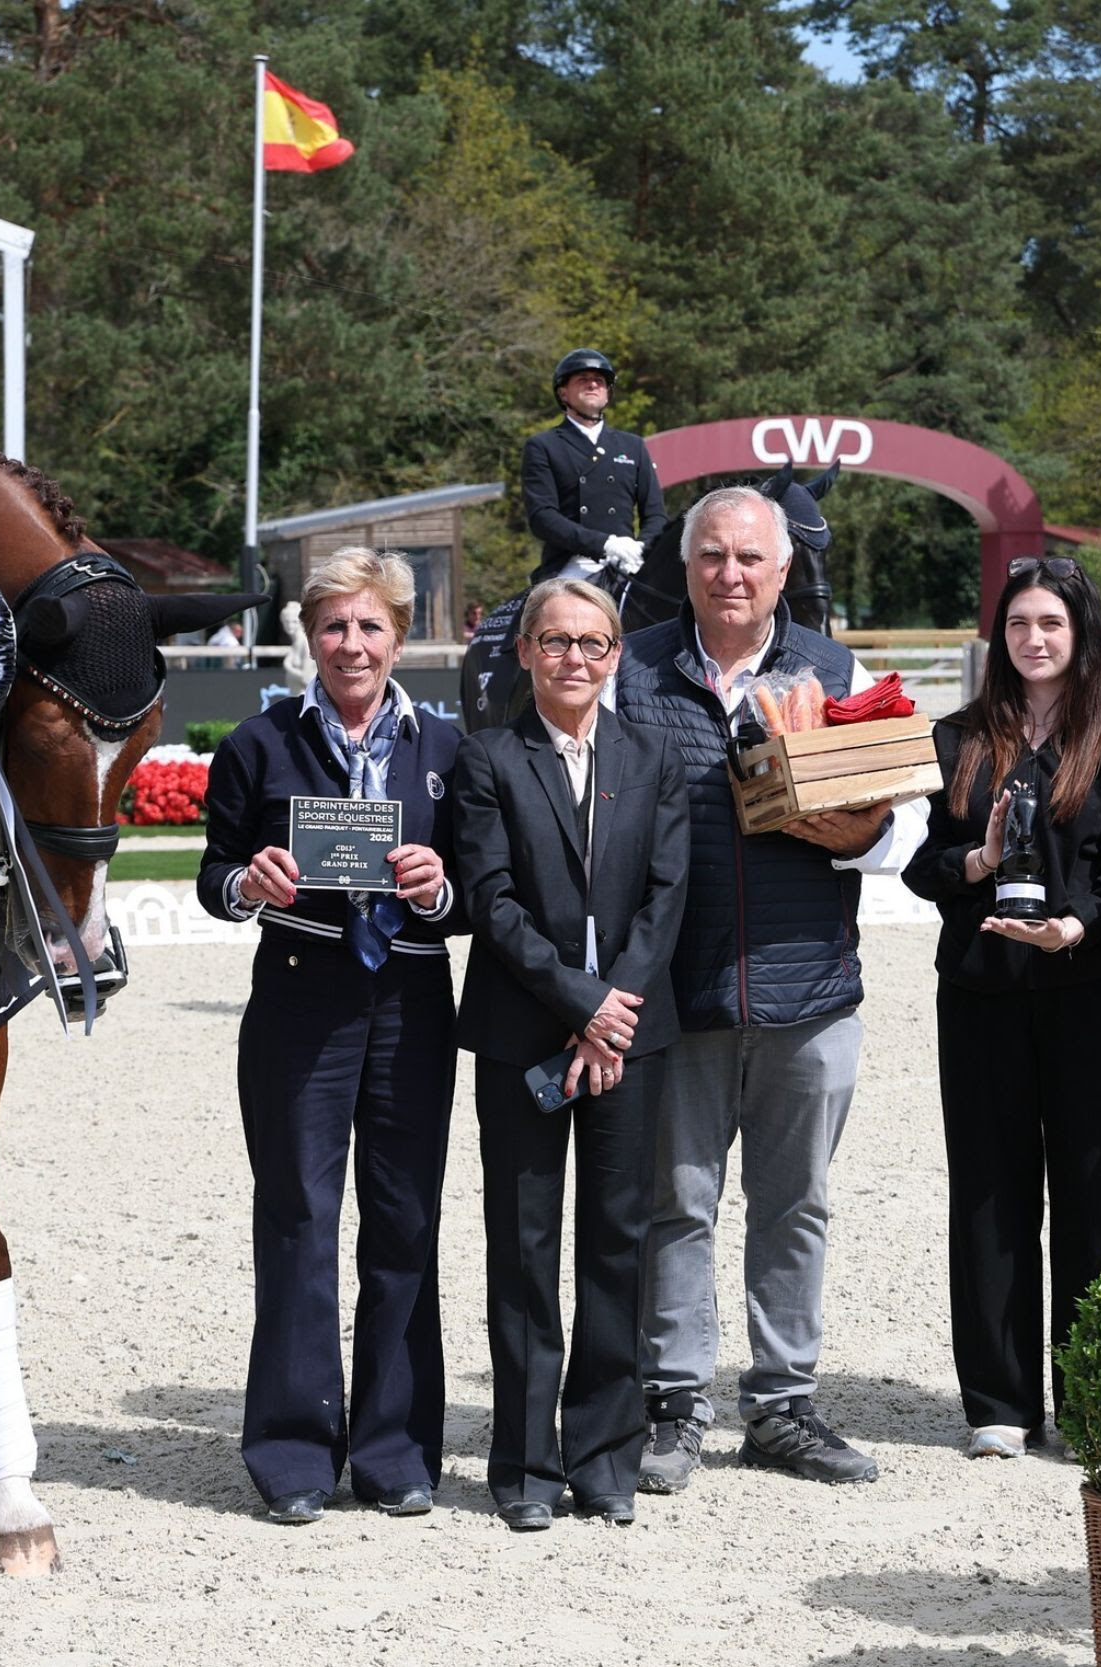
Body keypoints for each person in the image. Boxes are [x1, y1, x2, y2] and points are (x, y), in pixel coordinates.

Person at [614, 484, 928, 1493]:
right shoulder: (631, 669)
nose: (731, 574)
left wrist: (859, 829)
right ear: (686, 565)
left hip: (811, 989)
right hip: (678, 991)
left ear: (784, 569)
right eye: (712, 555)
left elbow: (909, 829)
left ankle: (783, 1404)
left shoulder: (838, 672)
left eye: (751, 557)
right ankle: (672, 1400)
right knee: (676, 1203)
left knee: (796, 1206)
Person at [197, 548, 467, 1526]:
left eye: (370, 626)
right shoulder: (259, 743)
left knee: (404, 1223)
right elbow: (213, 871)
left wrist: (437, 887)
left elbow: (479, 888)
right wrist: (246, 883)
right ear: (310, 636)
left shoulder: (446, 748)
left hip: (411, 1002)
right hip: (298, 998)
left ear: (401, 636)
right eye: (334, 625)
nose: (352, 644)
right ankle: (294, 1449)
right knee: (298, 1221)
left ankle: (396, 1449)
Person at [901, 556, 1101, 1460]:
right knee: (988, 1191)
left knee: (1093, 1193)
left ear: (1081, 633)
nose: (1034, 638)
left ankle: (1089, 1401)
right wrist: (974, 861)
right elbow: (923, 867)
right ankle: (999, 1403)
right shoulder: (957, 738)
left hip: (1091, 991)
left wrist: (1078, 924)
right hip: (981, 992)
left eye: (1051, 622)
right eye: (1018, 623)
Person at [450, 579, 690, 1531]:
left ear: (617, 654)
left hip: (630, 1036)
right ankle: (524, 1463)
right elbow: (491, 899)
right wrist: (581, 1002)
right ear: (525, 652)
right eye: (555, 641)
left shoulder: (653, 756)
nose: (574, 659)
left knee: (618, 1242)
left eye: (593, 642)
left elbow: (666, 896)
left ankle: (605, 1455)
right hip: (523, 1034)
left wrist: (612, 1011)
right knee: (523, 1245)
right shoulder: (488, 758)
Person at [520, 349, 665, 588]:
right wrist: (604, 544)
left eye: (599, 381)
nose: (593, 385)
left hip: (629, 560)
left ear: (608, 393)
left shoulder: (633, 445)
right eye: (583, 380)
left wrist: (641, 547)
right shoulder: (544, 446)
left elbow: (656, 514)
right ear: (563, 393)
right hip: (574, 562)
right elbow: (542, 517)